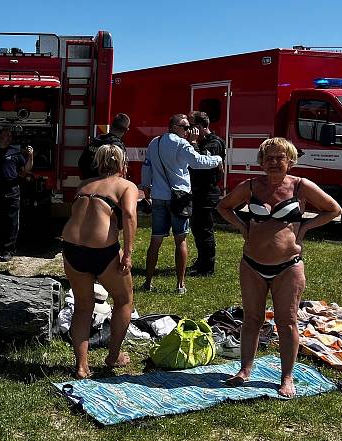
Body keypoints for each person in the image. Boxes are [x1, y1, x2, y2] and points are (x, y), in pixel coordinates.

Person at [217, 137, 341, 398]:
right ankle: (245, 371)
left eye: (279, 158)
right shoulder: (250, 186)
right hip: (252, 265)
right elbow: (224, 206)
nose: (274, 162)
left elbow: (333, 209)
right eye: (269, 158)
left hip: (289, 266)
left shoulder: (301, 186)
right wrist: (242, 226)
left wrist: (305, 227)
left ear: (290, 161)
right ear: (261, 162)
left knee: (287, 322)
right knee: (252, 319)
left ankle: (287, 377)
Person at [62, 144, 137, 378]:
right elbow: (129, 215)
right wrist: (128, 253)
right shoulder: (126, 186)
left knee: (83, 306)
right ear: (123, 165)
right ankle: (113, 356)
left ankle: (81, 366)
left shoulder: (84, 186)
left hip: (71, 248)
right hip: (102, 250)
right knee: (124, 299)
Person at [140, 114, 222, 294]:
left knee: (155, 241)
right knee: (181, 240)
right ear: (175, 127)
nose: (188, 131)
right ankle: (180, 284)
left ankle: (147, 282)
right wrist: (218, 160)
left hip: (160, 196)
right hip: (179, 197)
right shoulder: (181, 144)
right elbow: (199, 163)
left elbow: (146, 166)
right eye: (185, 127)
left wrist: (146, 189)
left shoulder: (155, 142)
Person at [0, 127, 33, 262]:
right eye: (6, 135)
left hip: (12, 191)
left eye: (10, 136)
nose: (9, 137)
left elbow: (25, 171)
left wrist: (31, 156)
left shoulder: (16, 153)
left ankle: (8, 250)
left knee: (11, 222)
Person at [187, 111, 226, 276]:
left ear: (200, 127)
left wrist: (194, 143)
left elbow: (202, 164)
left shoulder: (213, 143)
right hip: (198, 190)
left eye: (192, 127)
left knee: (205, 229)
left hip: (207, 191)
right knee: (197, 227)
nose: (189, 131)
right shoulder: (203, 142)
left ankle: (207, 267)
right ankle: (201, 260)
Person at [78, 113, 130, 180]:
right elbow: (121, 171)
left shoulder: (96, 141)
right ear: (126, 130)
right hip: (107, 187)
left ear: (111, 126)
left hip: (89, 184)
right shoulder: (118, 147)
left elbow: (81, 162)